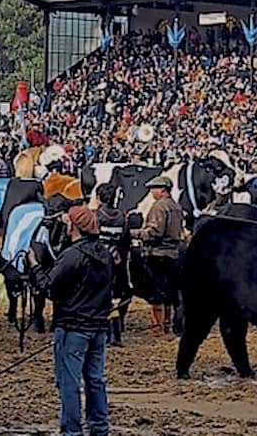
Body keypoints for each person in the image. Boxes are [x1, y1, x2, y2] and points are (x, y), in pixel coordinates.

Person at [27, 205, 112, 436]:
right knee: (95, 380)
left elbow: (49, 288)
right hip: (98, 327)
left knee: (70, 383)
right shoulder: (104, 253)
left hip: (73, 327)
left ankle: (72, 432)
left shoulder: (73, 256)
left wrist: (34, 265)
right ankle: (99, 428)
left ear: (74, 226)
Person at [131, 175, 185, 335]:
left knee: (157, 290)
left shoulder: (159, 207)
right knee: (169, 290)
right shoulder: (175, 206)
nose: (151, 192)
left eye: (153, 189)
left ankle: (158, 327)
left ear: (162, 190)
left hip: (157, 252)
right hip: (173, 252)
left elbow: (154, 232)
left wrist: (133, 233)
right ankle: (167, 323)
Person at [95, 183, 132, 347]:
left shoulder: (96, 216)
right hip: (116, 260)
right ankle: (116, 333)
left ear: (98, 198)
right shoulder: (122, 216)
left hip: (98, 261)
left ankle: (104, 332)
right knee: (115, 298)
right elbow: (126, 240)